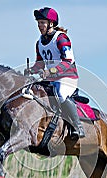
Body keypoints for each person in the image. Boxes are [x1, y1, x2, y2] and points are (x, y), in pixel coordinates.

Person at [28, 7, 85, 140]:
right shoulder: (39, 43)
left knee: (60, 95)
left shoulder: (61, 38)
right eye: (38, 22)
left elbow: (69, 61)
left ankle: (78, 127)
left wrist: (50, 71)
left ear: (51, 24)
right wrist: (32, 70)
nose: (39, 26)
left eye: (42, 22)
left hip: (68, 77)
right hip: (51, 79)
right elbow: (40, 63)